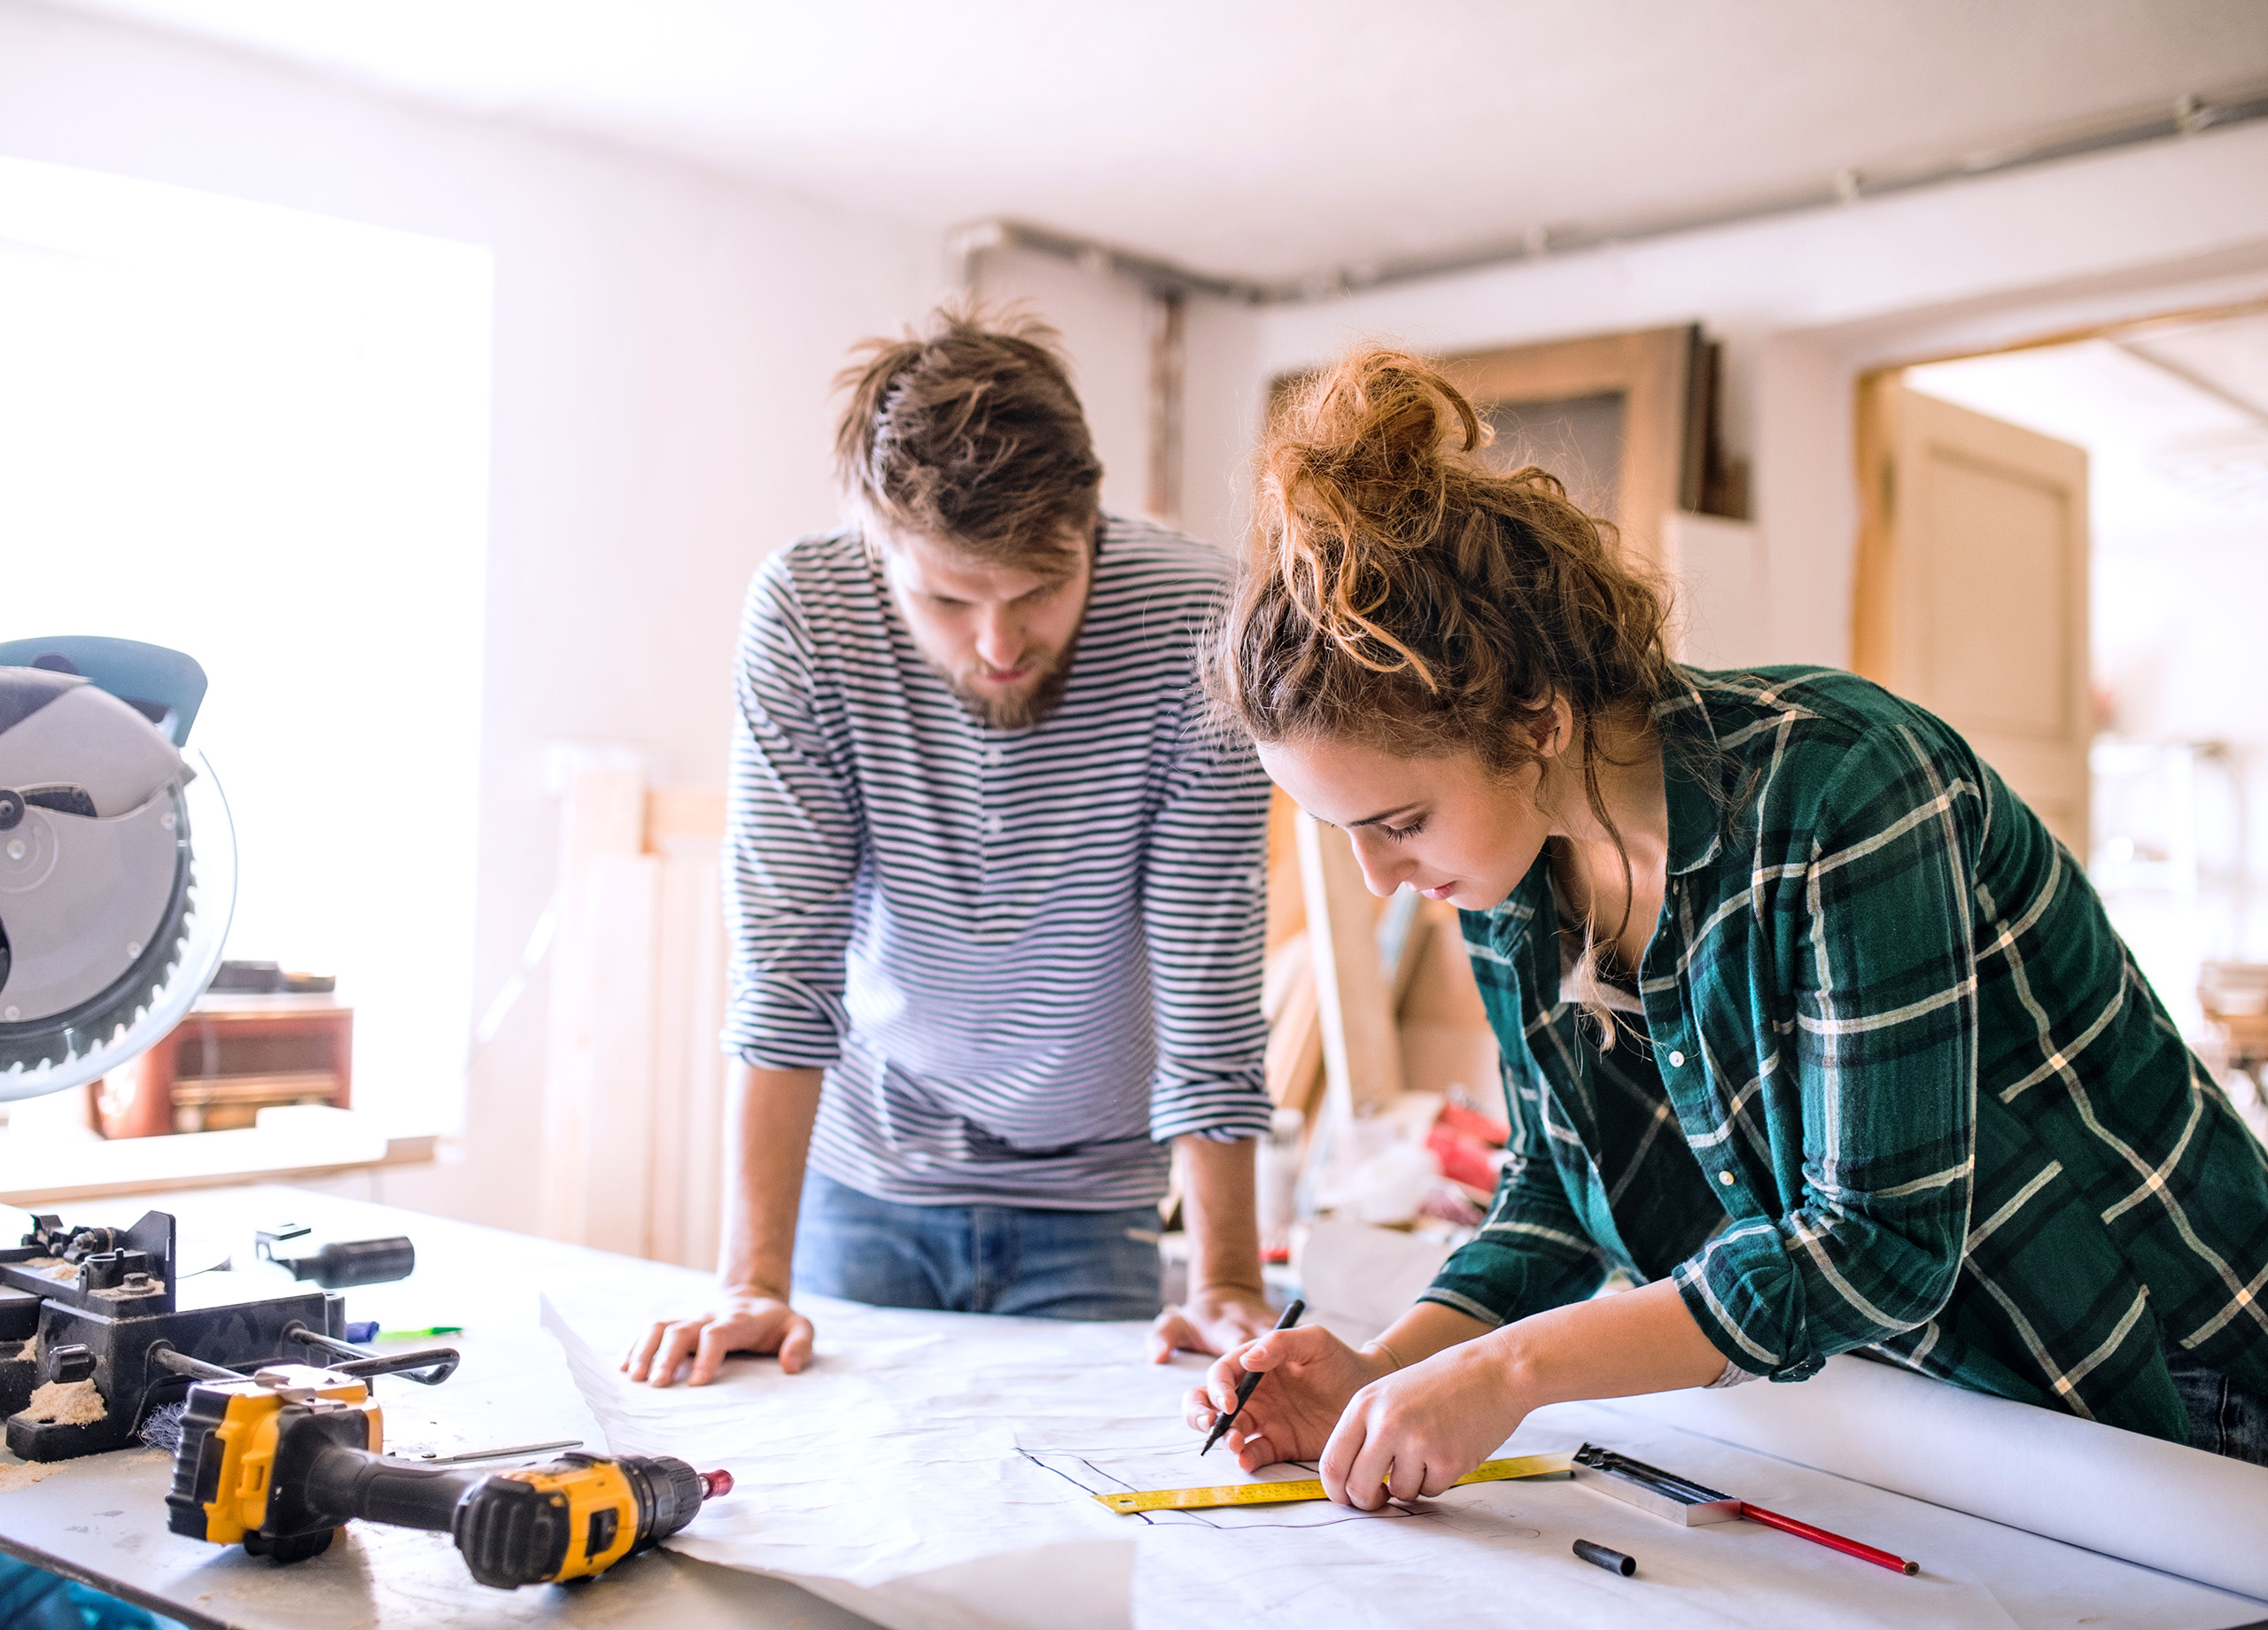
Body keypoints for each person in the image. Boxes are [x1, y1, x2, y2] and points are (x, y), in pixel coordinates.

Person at [1185, 345, 2268, 1504]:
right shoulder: (1510, 877)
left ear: (1537, 720)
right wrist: (1384, 1367)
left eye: (1396, 822)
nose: (1377, 879)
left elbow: (1878, 1245)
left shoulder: (1840, 786)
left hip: (2176, 1371)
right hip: (1953, 1414)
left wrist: (1509, 1371)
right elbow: (1558, 1189)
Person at [625, 307, 1278, 1387]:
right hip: (866, 1169)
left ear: (1092, 519)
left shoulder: (1197, 621)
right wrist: (751, 1278)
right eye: (945, 597)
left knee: (1086, 1522)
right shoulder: (806, 614)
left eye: (1040, 590)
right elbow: (785, 966)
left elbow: (1206, 970)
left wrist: (1225, 1281)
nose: (998, 644)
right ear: (876, 540)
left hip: (1096, 1190)